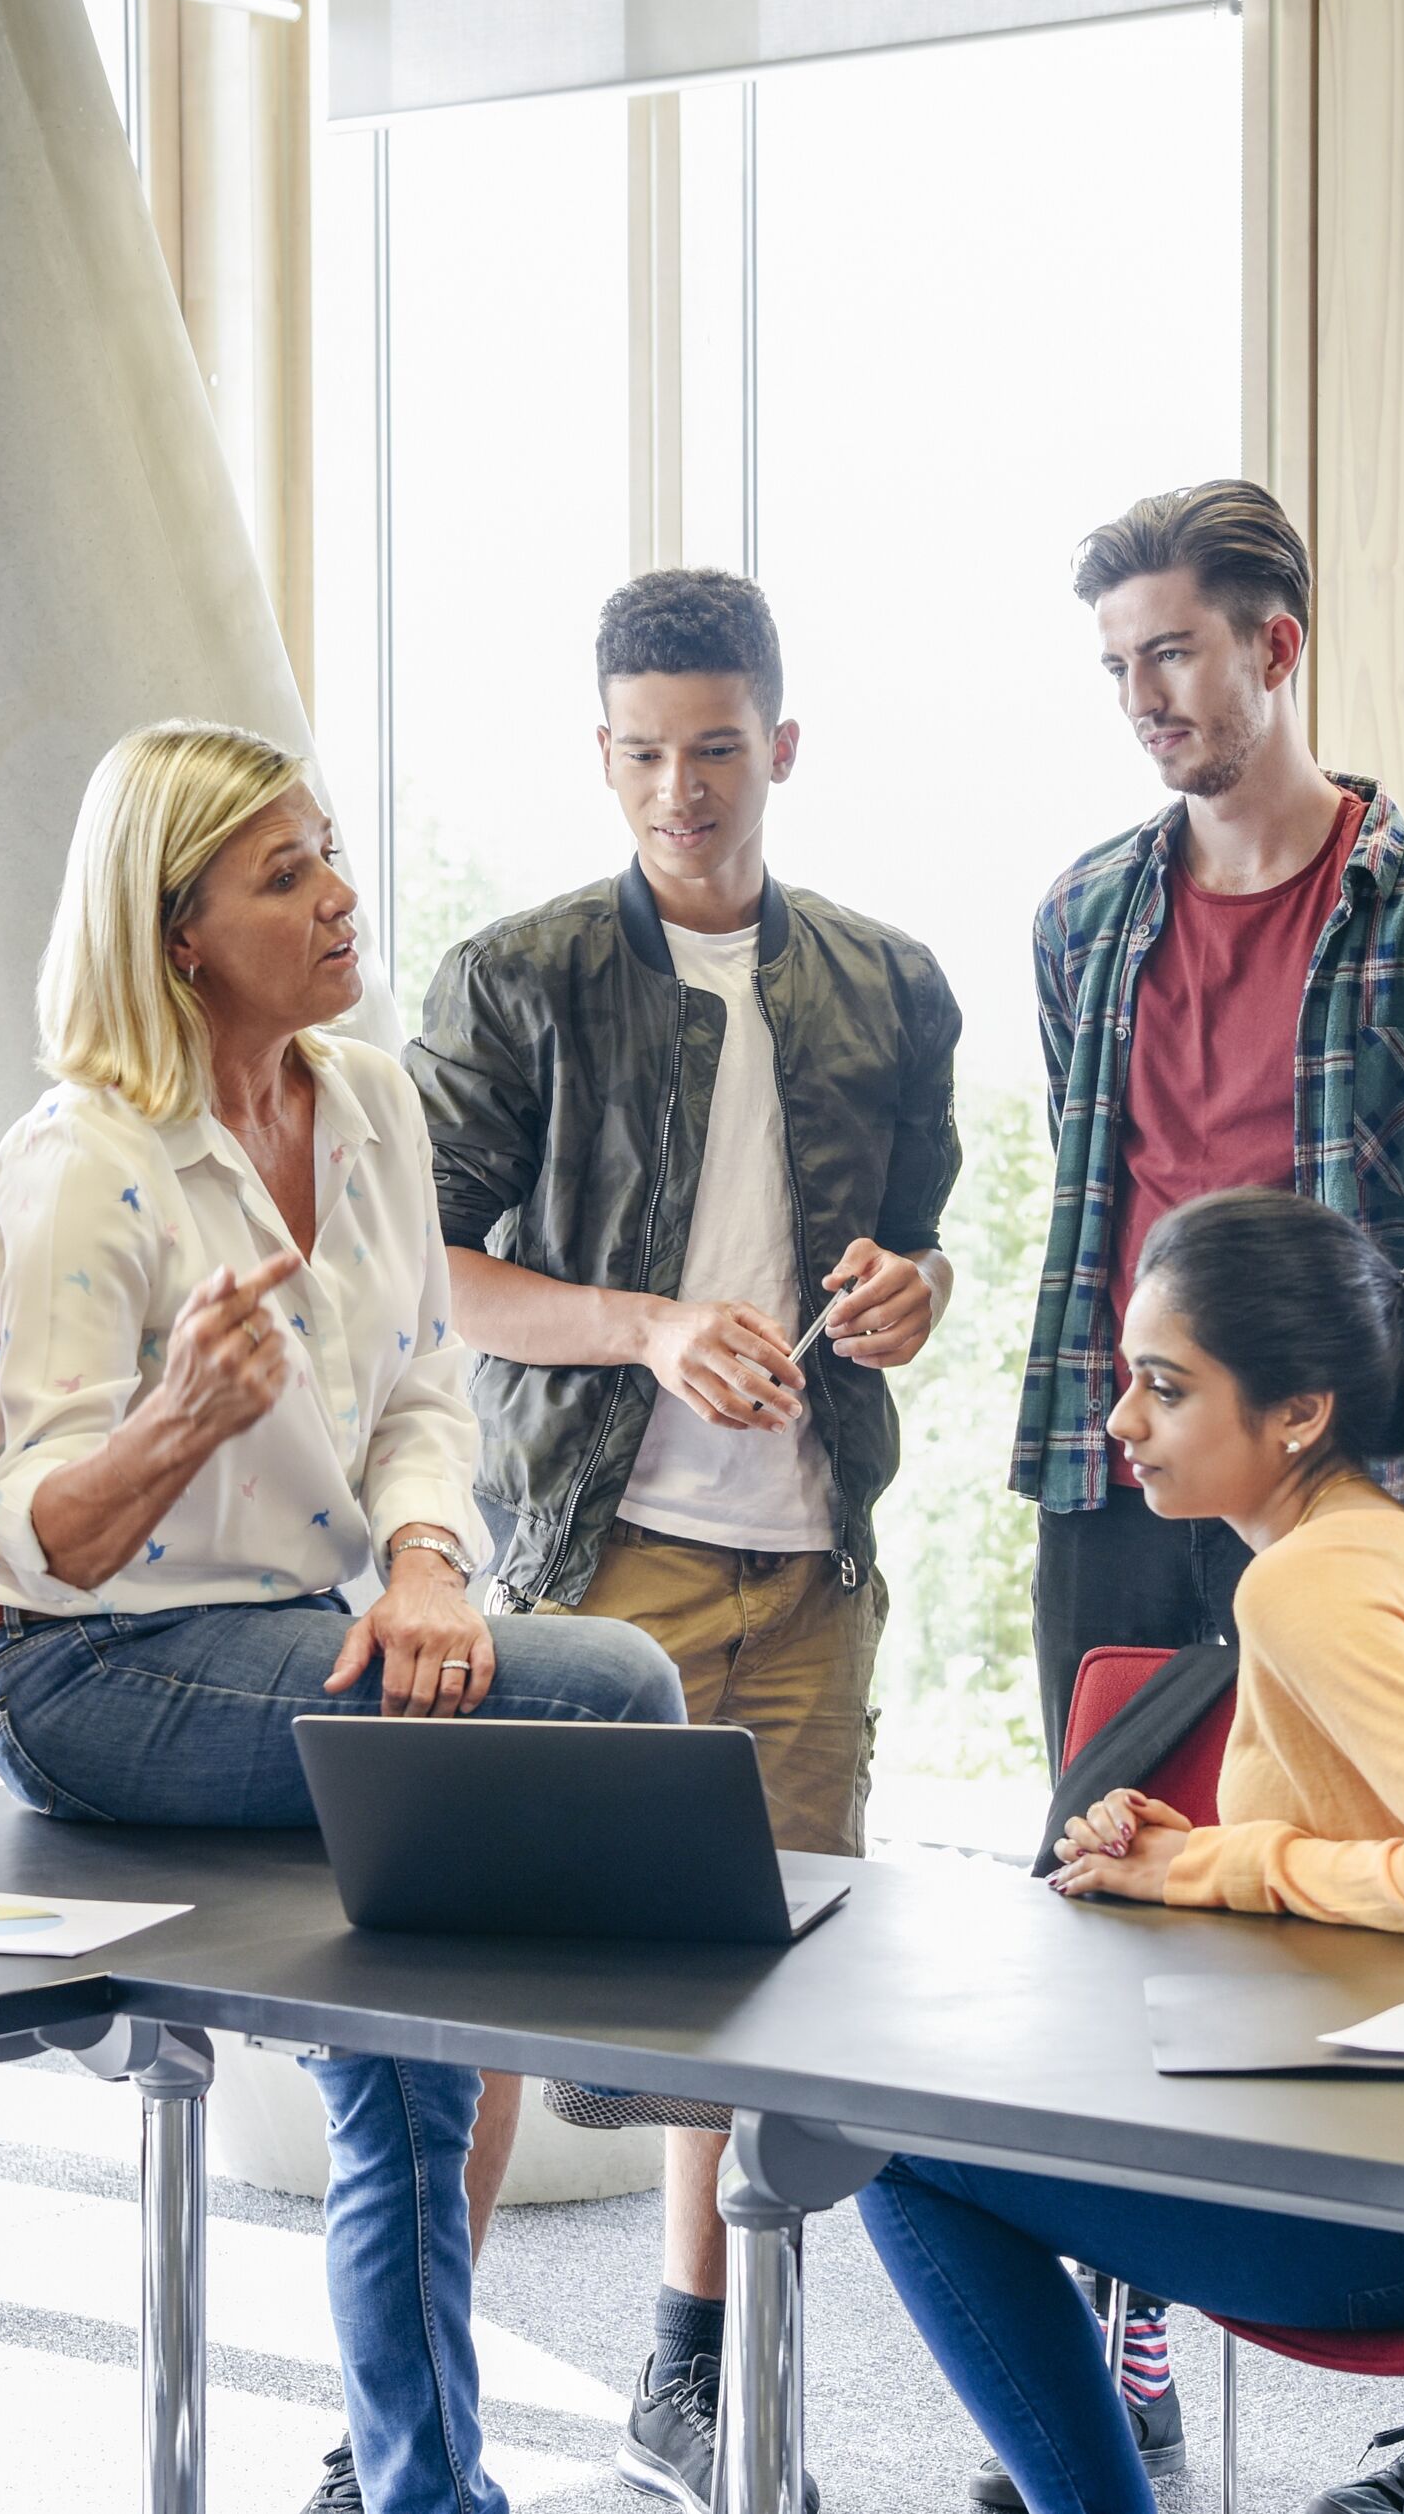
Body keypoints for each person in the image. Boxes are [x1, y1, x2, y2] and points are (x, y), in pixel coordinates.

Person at [0, 720, 690, 2514]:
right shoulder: (78, 1169)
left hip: (308, 1623)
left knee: (409, 2064)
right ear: (177, 929)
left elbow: (428, 1385)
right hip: (89, 1666)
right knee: (616, 1684)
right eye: (286, 873)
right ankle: (616, 2030)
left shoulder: (364, 1104)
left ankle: (429, 2491)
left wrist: (432, 1558)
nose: (342, 894)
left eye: (332, 850)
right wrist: (178, 1417)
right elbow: (38, 1535)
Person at [409, 569, 963, 2514]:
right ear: (603, 755)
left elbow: (916, 1246)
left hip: (807, 1563)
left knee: (764, 1992)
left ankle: (699, 2379)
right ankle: (416, 2421)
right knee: (490, 1995)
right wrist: (643, 1322)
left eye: (715, 751)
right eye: (643, 756)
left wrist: (914, 1291)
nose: (681, 793)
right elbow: (437, 1276)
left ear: (781, 747)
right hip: (587, 1555)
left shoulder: (889, 984)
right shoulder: (515, 979)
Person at [1012, 481, 1404, 2502]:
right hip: (1131, 1470)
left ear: (1276, 647)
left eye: (1174, 652)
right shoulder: (1086, 915)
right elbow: (1088, 1196)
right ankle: (1130, 2334)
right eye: (1120, 665)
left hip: (1369, 1488)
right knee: (1123, 1885)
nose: (1146, 696)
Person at [868, 1187, 1404, 2514]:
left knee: (890, 2137)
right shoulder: (1394, 1549)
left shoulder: (1306, 1580)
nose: (1123, 1421)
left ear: (1298, 1412)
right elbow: (1398, 1861)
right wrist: (1201, 1853)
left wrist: (1224, 1868)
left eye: (1166, 1389)